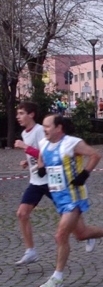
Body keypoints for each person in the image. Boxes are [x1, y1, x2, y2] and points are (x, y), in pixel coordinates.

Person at [36, 114, 103, 287]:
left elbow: (95, 155)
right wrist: (40, 168)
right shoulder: (44, 143)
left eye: (47, 126)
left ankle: (57, 278)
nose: (44, 129)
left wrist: (84, 174)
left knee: (61, 236)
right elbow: (41, 157)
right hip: (58, 198)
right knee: (81, 234)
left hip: (74, 197)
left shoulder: (72, 143)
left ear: (59, 128)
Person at [14, 102, 54, 265]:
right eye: (17, 113)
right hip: (36, 181)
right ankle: (31, 251)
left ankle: (86, 234)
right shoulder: (25, 132)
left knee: (68, 213)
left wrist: (25, 147)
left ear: (31, 115)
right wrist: (27, 161)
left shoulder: (39, 130)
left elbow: (45, 154)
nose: (18, 117)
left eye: (21, 113)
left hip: (50, 180)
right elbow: (35, 155)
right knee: (22, 213)